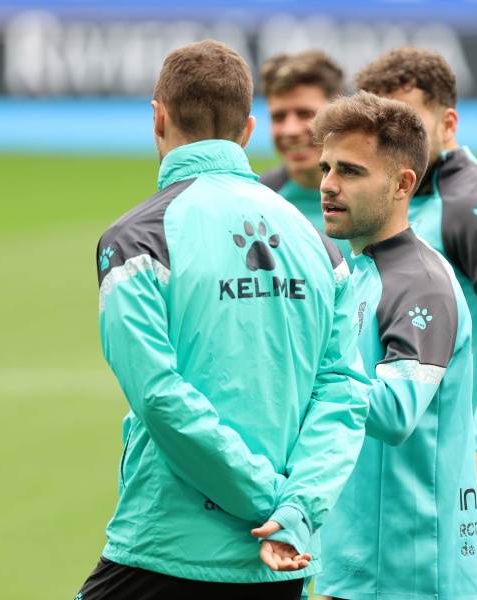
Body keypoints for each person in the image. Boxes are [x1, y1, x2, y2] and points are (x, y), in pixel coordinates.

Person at [76, 39, 370, 600]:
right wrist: (294, 508)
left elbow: (159, 395)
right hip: (282, 552)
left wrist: (262, 499)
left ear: (158, 118)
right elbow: (344, 390)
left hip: (169, 546)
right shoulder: (319, 243)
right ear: (249, 129)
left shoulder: (136, 239)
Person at [353, 46, 477, 598]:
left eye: (408, 124)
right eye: (380, 128)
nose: (392, 142)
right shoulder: (388, 207)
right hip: (403, 478)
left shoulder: (472, 204)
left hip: (460, 477)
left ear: (447, 124)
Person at [312, 91, 477, 600]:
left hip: (411, 571)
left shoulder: (420, 284)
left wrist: (300, 370)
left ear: (403, 184)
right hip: (363, 564)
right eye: (326, 168)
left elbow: (393, 413)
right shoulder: (361, 272)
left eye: (350, 171)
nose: (328, 185)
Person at [258, 50, 354, 267]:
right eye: (278, 117)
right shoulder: (254, 201)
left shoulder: (383, 199)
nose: (290, 130)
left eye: (305, 114)